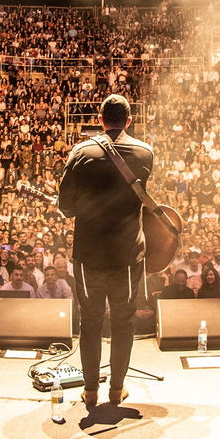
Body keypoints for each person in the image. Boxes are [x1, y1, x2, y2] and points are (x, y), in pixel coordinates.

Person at [57, 94, 155, 410]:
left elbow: (65, 206)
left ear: (100, 120)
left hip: (89, 255)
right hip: (127, 256)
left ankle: (89, 392)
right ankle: (116, 390)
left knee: (91, 321)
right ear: (128, 120)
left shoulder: (80, 153)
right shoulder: (144, 153)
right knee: (123, 321)